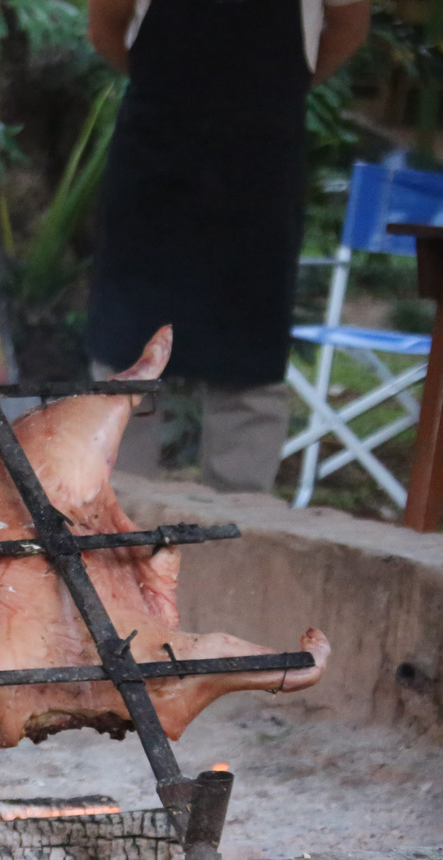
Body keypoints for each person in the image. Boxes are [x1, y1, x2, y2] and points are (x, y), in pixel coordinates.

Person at [84, 0, 370, 492]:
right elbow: (106, 26)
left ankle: (240, 535)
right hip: (155, 162)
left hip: (260, 170)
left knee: (250, 361)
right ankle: (110, 524)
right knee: (128, 356)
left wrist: (274, 93)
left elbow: (348, 24)